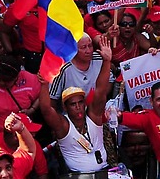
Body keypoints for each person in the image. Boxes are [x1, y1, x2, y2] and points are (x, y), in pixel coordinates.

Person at [38, 37, 112, 176]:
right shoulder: (63, 126)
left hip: (104, 172)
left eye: (80, 102)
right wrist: (44, 84)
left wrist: (107, 61)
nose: (78, 107)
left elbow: (100, 90)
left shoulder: (94, 117)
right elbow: (46, 110)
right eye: (73, 104)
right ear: (65, 108)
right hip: (77, 175)